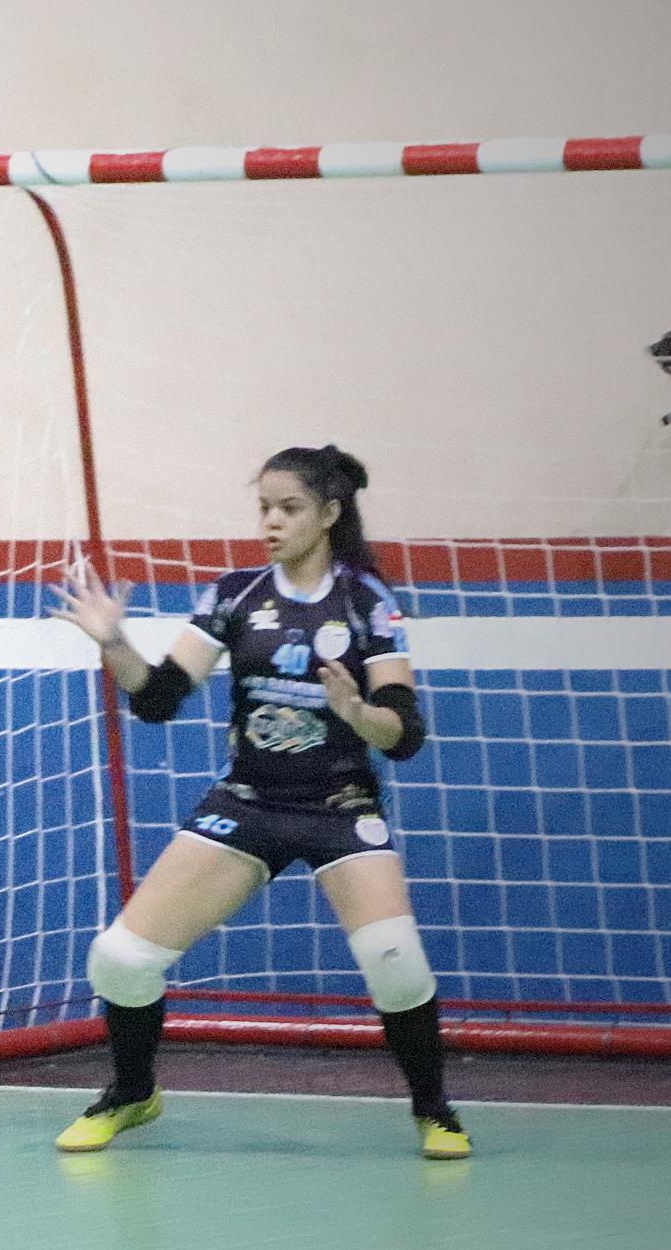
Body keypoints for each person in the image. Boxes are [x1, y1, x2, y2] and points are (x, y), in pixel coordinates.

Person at [48, 444, 470, 1160]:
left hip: (340, 806)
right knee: (119, 960)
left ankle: (434, 1110)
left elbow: (404, 734)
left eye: (289, 508)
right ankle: (133, 1093)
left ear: (330, 513)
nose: (271, 522)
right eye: (264, 508)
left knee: (396, 959)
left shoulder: (368, 602)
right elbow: (157, 700)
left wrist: (358, 712)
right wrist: (114, 642)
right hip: (248, 803)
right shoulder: (236, 594)